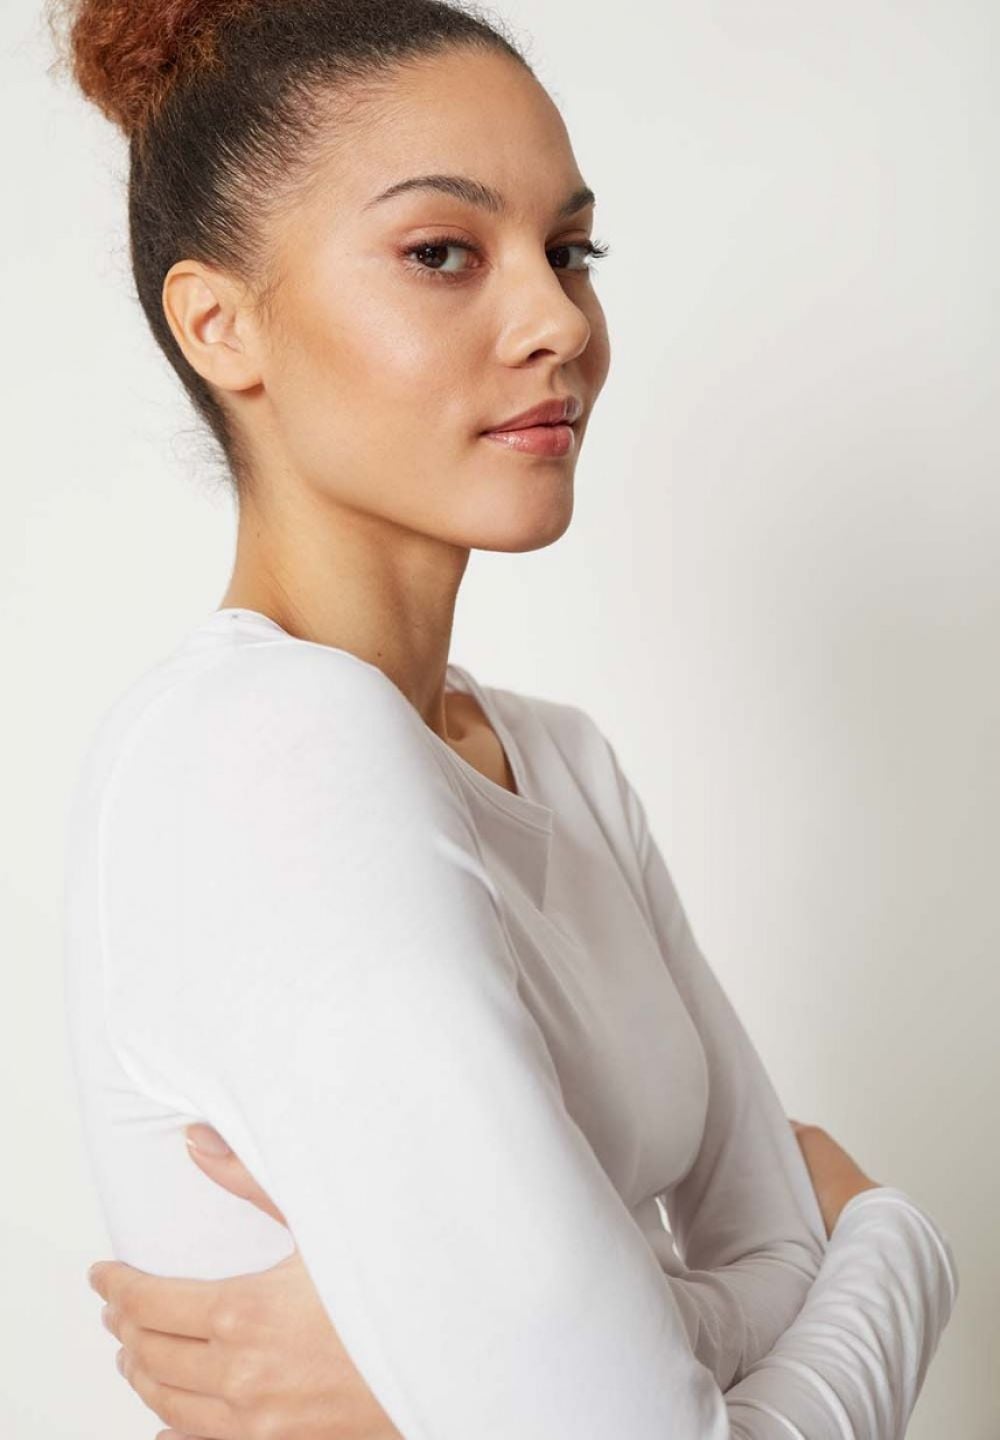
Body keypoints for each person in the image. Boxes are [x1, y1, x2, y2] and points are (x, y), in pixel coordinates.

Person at [53, 1, 959, 1436]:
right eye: (441, 253)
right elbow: (785, 1260)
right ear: (221, 324)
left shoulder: (561, 764)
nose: (560, 323)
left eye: (571, 251)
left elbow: (772, 1234)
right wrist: (902, 1245)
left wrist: (467, 1366)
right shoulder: (267, 753)